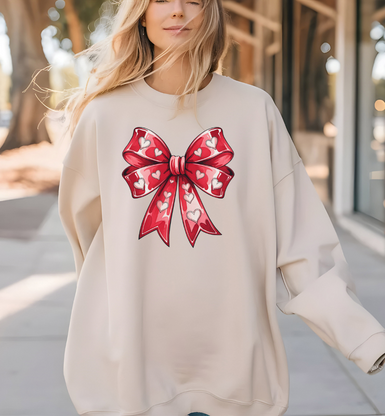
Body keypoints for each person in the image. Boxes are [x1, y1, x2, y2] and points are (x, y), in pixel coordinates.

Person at [57, 0, 385, 415]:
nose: (177, 11)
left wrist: (361, 337)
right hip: (132, 365)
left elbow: (302, 241)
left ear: (212, 12)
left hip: (236, 364)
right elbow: (86, 243)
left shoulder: (253, 110)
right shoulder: (103, 117)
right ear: (140, 12)